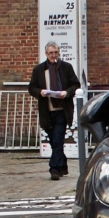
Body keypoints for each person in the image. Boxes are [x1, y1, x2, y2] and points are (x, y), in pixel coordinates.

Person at [28, 42, 81, 180]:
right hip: (47, 110)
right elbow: (31, 87)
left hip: (62, 110)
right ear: (46, 54)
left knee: (58, 139)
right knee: (53, 141)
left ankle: (54, 169)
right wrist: (40, 92)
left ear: (59, 53)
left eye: (55, 52)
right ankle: (62, 166)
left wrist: (66, 93)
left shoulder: (66, 68)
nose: (53, 55)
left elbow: (75, 84)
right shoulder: (39, 70)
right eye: (51, 53)